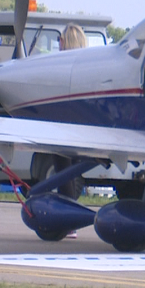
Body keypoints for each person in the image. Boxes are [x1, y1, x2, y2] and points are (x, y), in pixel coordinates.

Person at [59, 23, 88, 238]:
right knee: (73, 171)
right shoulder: (86, 66)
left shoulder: (62, 64)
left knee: (62, 169)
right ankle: (71, 213)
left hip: (63, 125)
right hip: (81, 124)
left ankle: (69, 219)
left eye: (61, 40)